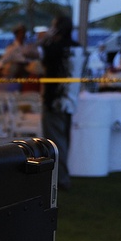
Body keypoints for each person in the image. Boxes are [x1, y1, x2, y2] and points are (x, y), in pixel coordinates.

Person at [39, 15, 80, 191]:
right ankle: (61, 178)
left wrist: (45, 38)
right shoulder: (77, 48)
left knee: (55, 143)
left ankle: (61, 180)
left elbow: (29, 51)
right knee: (63, 142)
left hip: (55, 101)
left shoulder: (55, 48)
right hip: (70, 101)